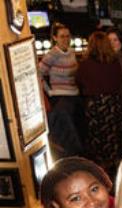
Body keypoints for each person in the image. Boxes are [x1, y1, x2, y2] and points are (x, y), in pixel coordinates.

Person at [76, 31, 122, 179]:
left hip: (95, 106)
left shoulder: (85, 64)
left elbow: (80, 83)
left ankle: (102, 175)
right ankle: (120, 173)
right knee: (116, 139)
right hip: (114, 104)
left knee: (99, 143)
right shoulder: (114, 63)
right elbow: (120, 81)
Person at [39, 22, 84, 157]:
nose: (66, 39)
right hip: (60, 96)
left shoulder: (71, 52)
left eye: (68, 36)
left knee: (80, 126)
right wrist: (49, 91)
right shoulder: (52, 55)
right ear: (55, 38)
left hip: (74, 94)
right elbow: (38, 73)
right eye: (62, 36)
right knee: (69, 130)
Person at [106, 28, 122, 97]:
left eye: (115, 40)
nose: (112, 43)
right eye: (109, 40)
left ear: (121, 41)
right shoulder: (106, 57)